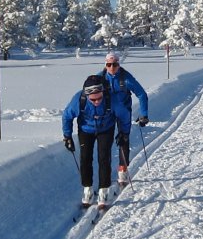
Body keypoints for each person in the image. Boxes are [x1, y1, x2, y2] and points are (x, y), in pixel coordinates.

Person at [62, 72, 128, 209]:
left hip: (106, 128)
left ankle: (104, 190)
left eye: (99, 98)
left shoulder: (112, 99)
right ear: (87, 96)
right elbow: (67, 116)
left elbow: (124, 115)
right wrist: (67, 136)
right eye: (93, 99)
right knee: (85, 158)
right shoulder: (79, 100)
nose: (97, 101)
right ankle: (88, 189)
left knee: (104, 157)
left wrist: (124, 133)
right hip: (86, 130)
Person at [100, 52, 149, 186]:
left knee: (123, 140)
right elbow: (89, 93)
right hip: (107, 113)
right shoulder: (101, 77)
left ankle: (123, 170)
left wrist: (144, 114)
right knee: (106, 141)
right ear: (105, 65)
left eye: (114, 64)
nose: (112, 67)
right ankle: (106, 172)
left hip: (123, 113)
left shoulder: (126, 78)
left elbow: (142, 94)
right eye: (109, 65)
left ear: (118, 64)